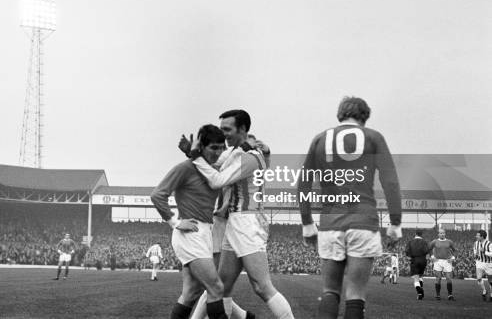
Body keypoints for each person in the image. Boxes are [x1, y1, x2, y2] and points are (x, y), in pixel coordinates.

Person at [298, 96, 402, 319]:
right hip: (363, 222)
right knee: (355, 293)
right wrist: (395, 222)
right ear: (364, 117)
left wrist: (307, 222)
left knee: (330, 291)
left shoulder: (320, 139)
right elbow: (390, 181)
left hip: (330, 222)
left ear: (340, 114)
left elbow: (304, 182)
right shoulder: (374, 137)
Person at [190, 110, 295, 319]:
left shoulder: (249, 157)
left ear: (243, 130)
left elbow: (218, 180)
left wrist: (195, 157)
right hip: (236, 221)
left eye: (227, 129)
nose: (223, 134)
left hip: (247, 221)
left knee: (262, 286)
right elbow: (214, 164)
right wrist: (193, 153)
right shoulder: (238, 153)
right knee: (220, 287)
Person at [152, 124, 236, 319]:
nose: (218, 152)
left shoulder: (212, 170)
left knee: (191, 293)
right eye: (213, 147)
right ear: (203, 147)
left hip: (205, 232)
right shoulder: (185, 168)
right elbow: (157, 195)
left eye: (220, 147)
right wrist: (175, 222)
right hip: (190, 234)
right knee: (216, 288)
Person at [429, 229, 456, 301]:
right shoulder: (434, 242)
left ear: (445, 234)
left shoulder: (449, 242)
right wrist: (432, 257)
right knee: (438, 278)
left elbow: (455, 250)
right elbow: (429, 249)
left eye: (443, 233)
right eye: (440, 233)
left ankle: (450, 295)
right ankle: (438, 295)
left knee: (449, 278)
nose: (442, 234)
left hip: (447, 261)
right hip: (437, 261)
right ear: (438, 234)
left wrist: (453, 258)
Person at [405, 229, 429, 299]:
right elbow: (426, 251)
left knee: (416, 278)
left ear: (415, 234)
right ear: (421, 234)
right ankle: (421, 288)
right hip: (423, 260)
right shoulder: (424, 242)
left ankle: (419, 292)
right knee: (420, 276)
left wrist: (409, 256)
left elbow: (407, 251)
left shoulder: (410, 241)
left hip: (414, 260)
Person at [473, 229, 492, 301]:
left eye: (478, 235)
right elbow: (475, 250)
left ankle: (491, 295)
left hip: (488, 263)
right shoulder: (476, 243)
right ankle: (484, 291)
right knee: (478, 278)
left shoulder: (489, 244)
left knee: (490, 281)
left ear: (482, 236)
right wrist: (475, 255)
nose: (476, 236)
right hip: (479, 262)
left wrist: (485, 252)